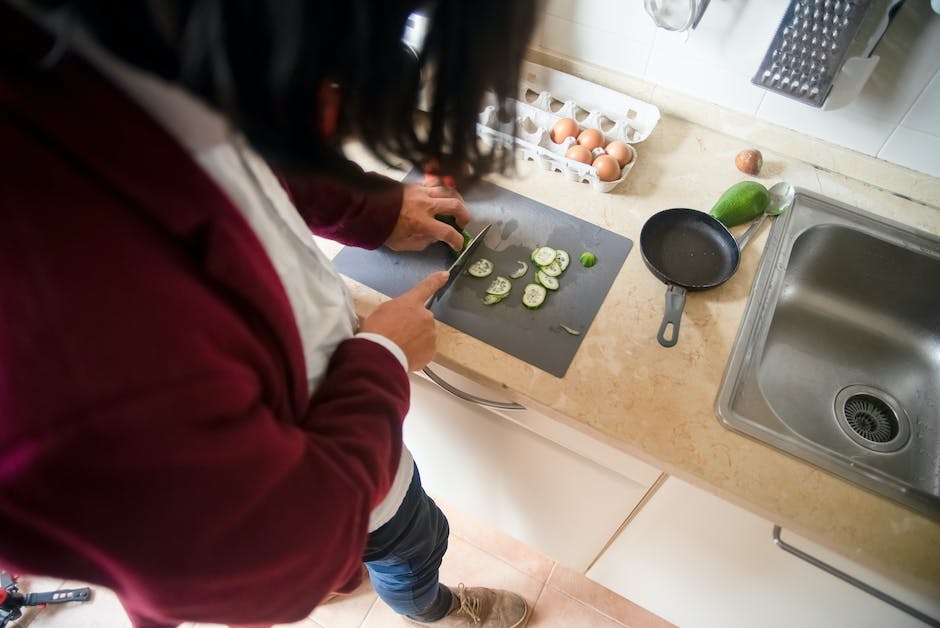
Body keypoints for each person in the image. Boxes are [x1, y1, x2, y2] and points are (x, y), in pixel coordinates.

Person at [0, 1, 537, 627]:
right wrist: (382, 361)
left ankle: (348, 573)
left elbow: (250, 150)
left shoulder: (126, 55)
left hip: (323, 444)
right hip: (338, 480)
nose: (333, 115)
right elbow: (278, 563)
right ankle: (430, 609)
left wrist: (375, 209)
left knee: (350, 557)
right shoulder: (64, 346)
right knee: (413, 544)